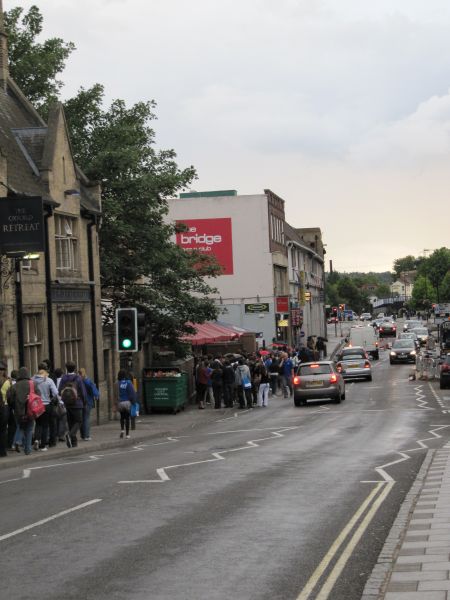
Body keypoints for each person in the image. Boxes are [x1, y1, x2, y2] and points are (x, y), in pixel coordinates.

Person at [58, 361, 87, 448]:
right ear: (75, 368)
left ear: (66, 368)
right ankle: (70, 435)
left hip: (67, 404)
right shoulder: (78, 378)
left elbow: (59, 391)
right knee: (79, 421)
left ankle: (73, 443)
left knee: (71, 423)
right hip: (77, 403)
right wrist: (84, 401)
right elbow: (82, 391)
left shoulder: (63, 378)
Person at [32, 363, 59, 451]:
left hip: (36, 405)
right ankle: (43, 446)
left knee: (38, 424)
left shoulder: (32, 380)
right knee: (45, 425)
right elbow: (55, 392)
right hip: (46, 405)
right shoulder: (49, 380)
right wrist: (57, 400)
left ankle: (36, 439)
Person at [9, 367, 34, 455]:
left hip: (18, 411)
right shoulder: (32, 384)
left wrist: (14, 406)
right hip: (30, 410)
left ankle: (17, 441)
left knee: (20, 426)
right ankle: (27, 450)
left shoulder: (14, 386)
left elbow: (10, 399)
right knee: (29, 429)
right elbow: (38, 395)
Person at [78, 368, 99, 441]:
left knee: (82, 418)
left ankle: (83, 435)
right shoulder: (88, 381)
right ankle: (87, 436)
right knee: (86, 418)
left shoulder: (78, 381)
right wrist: (96, 395)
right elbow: (94, 390)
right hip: (88, 401)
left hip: (80, 402)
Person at [116, 370, 137, 438]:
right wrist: (133, 401)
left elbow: (116, 393)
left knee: (122, 417)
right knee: (127, 418)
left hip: (120, 402)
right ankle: (127, 434)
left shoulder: (118, 383)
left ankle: (122, 430)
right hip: (127, 402)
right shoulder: (128, 382)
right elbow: (132, 393)